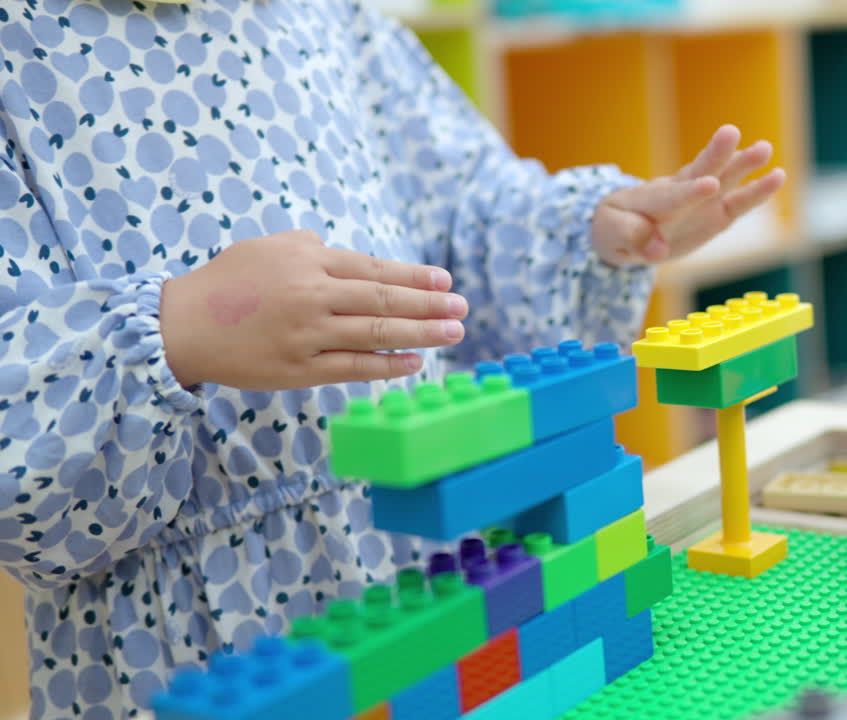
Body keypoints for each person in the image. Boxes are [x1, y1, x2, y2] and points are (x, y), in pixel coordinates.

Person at [0, 0, 785, 717]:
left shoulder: (320, 15)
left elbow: (457, 213)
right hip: (184, 650)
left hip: (422, 579)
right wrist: (183, 329)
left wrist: (584, 234)